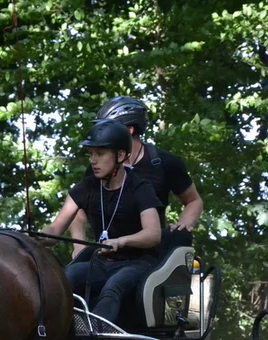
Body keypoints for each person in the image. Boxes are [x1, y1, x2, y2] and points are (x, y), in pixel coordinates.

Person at [36, 119, 162, 323]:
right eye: (91, 154)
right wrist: (36, 237)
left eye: (100, 154)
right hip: (102, 262)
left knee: (113, 286)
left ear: (120, 155)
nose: (93, 160)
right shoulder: (86, 187)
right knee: (65, 279)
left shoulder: (140, 188)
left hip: (138, 263)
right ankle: (55, 337)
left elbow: (153, 234)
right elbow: (55, 229)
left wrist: (122, 241)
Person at [69, 96, 203, 258]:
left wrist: (183, 226)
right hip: (108, 255)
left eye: (109, 126)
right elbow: (78, 210)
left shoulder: (166, 162)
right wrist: (79, 246)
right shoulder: (99, 168)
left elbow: (194, 200)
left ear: (130, 129)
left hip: (150, 253)